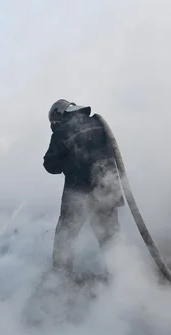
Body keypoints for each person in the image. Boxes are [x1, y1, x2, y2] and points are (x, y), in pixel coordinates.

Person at [44, 99, 124, 275]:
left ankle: (60, 279)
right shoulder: (99, 123)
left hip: (78, 195)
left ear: (59, 115)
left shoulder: (62, 131)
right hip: (107, 191)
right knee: (110, 239)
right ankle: (121, 279)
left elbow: (50, 166)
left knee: (65, 238)